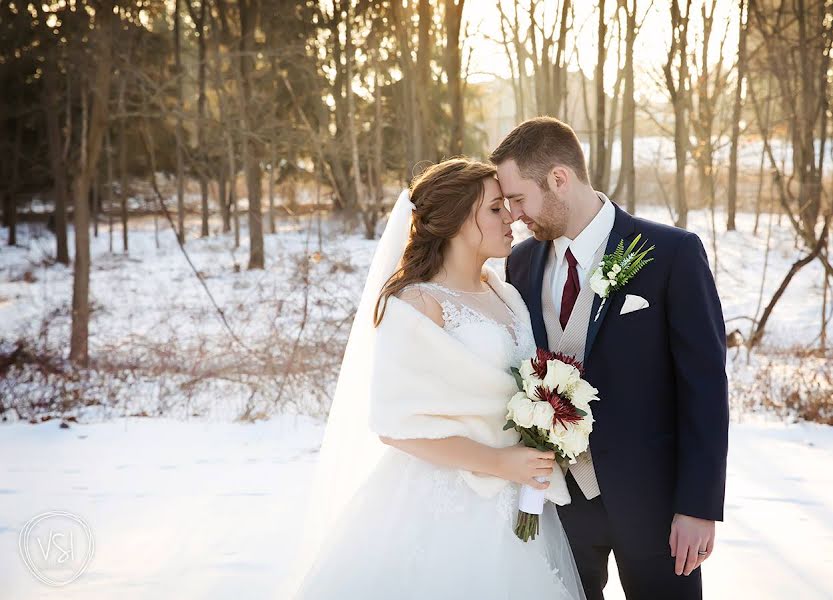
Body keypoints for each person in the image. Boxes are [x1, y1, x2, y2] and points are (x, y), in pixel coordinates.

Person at [281, 158, 586, 600]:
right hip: (445, 502)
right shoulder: (416, 304)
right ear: (460, 221)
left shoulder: (505, 292)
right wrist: (499, 462)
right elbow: (395, 426)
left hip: (515, 500)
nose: (512, 218)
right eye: (496, 210)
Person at [494, 116, 729, 600]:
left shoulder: (671, 253)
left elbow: (704, 389)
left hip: (656, 507)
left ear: (559, 179)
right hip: (560, 504)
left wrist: (698, 507)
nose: (514, 215)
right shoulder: (520, 264)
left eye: (518, 198)